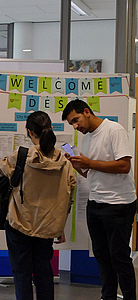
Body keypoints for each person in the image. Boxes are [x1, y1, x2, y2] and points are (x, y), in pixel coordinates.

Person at [0, 111, 76, 300]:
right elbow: (69, 196)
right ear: (50, 129)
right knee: (44, 273)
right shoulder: (65, 161)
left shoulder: (22, 156)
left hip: (20, 224)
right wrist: (61, 226)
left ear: (30, 132)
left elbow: (1, 169)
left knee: (22, 275)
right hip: (48, 227)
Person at [62, 100, 136, 300]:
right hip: (96, 203)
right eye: (72, 124)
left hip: (119, 203)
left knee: (119, 257)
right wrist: (78, 166)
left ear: (87, 111)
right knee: (102, 257)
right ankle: (108, 296)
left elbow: (124, 166)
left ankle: (129, 297)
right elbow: (90, 172)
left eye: (76, 120)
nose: (76, 126)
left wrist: (89, 163)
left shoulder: (114, 130)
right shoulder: (86, 138)